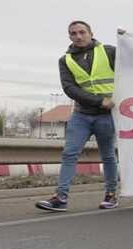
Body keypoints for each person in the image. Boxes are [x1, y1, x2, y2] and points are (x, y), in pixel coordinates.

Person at [36, 20, 121, 212]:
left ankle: (111, 194)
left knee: (108, 156)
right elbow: (70, 89)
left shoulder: (109, 51)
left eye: (82, 32)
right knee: (69, 153)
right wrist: (99, 101)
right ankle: (60, 197)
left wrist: (126, 41)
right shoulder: (65, 60)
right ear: (70, 37)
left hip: (107, 116)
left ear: (91, 33)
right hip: (81, 115)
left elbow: (132, 68)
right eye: (73, 33)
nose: (78, 36)